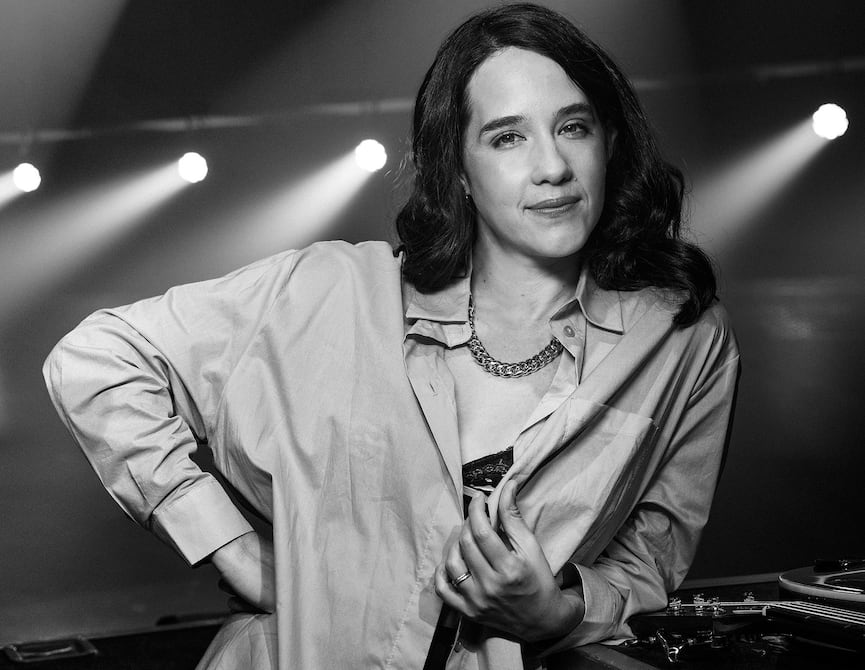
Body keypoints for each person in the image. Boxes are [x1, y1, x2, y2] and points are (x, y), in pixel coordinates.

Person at [43, 3, 739, 669]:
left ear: (609, 141)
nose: (552, 166)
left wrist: (554, 615)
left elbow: (647, 560)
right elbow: (96, 359)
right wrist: (231, 548)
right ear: (458, 170)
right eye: (507, 137)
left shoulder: (682, 338)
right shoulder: (328, 292)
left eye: (573, 127)